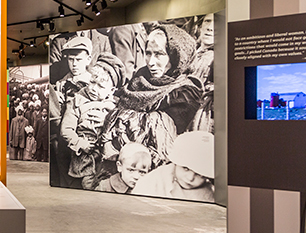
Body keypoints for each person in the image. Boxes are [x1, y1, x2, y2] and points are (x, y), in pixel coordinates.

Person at [100, 24, 203, 166]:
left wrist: (118, 114)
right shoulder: (140, 78)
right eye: (148, 53)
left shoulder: (185, 93)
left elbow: (157, 134)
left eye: (159, 54)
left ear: (176, 56)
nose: (151, 62)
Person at [59, 53, 125, 188]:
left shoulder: (116, 107)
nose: (93, 89)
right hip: (85, 162)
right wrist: (80, 143)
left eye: (100, 86)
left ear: (111, 90)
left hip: (109, 162)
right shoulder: (77, 101)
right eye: (92, 83)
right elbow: (66, 130)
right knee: (88, 186)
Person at [50, 37, 93, 186]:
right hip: (65, 141)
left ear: (88, 59)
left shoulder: (95, 83)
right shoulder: (61, 84)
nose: (74, 64)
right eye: (71, 59)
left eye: (79, 59)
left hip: (88, 141)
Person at [132, 130, 215, 202]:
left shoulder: (211, 192)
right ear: (176, 163)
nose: (190, 178)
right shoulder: (152, 182)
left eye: (199, 174)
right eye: (185, 169)